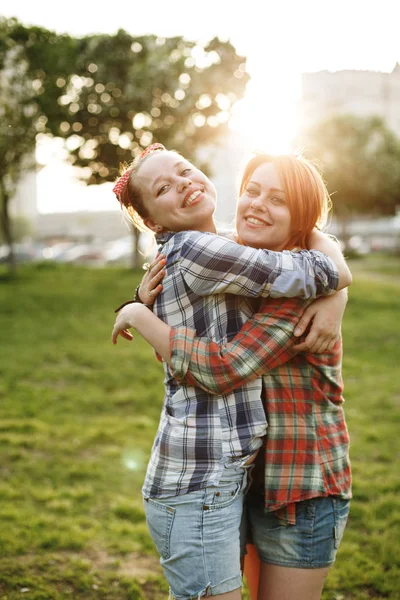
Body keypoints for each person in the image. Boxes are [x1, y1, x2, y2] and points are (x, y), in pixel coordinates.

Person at [111, 144, 352, 600]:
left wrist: (337, 292)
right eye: (252, 191)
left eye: (277, 200)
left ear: (300, 217)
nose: (257, 205)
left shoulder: (291, 290)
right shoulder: (238, 258)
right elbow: (190, 260)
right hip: (245, 478)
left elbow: (223, 368)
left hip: (299, 484)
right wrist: (140, 301)